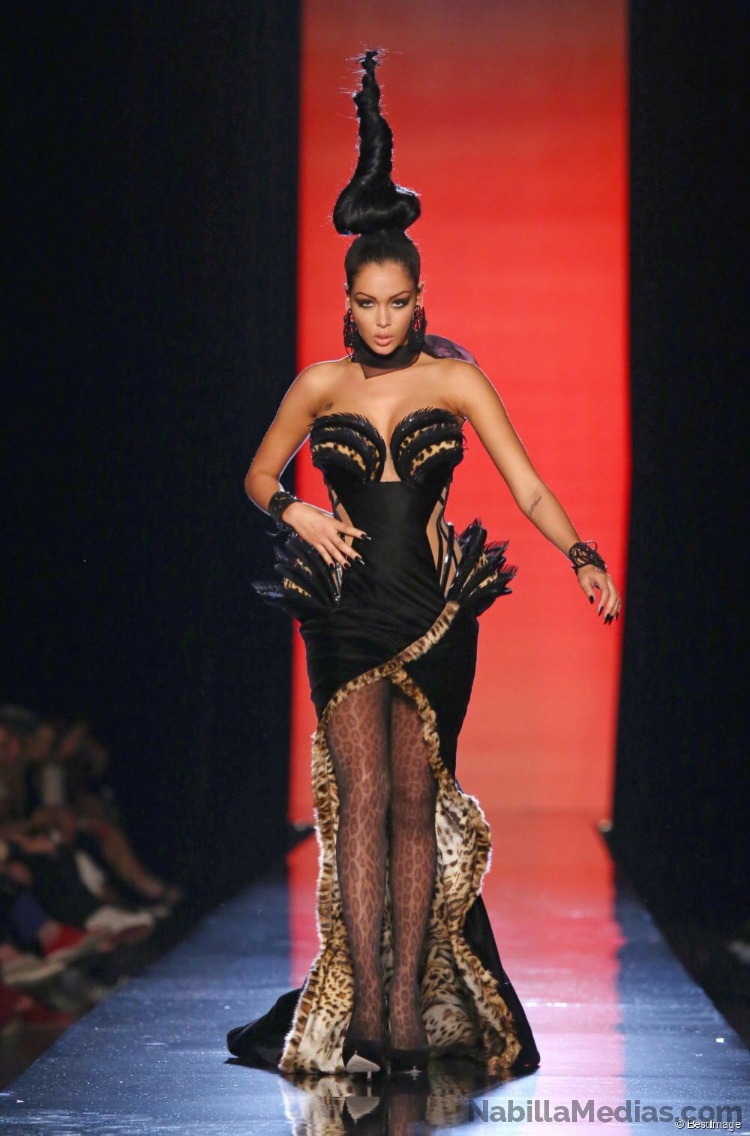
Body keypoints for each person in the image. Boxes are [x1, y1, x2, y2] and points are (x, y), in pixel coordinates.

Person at [228, 49, 620, 1079]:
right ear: (348, 300)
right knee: (359, 803)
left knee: (414, 804)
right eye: (368, 302)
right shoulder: (319, 385)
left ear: (419, 298)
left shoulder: (456, 380)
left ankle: (403, 1016)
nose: (383, 318)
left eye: (398, 302)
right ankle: (371, 1019)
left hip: (436, 611)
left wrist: (581, 553)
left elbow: (527, 485)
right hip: (345, 607)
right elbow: (257, 474)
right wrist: (299, 510)